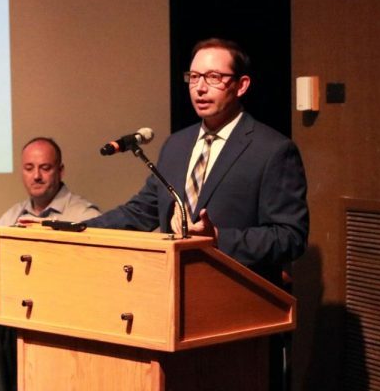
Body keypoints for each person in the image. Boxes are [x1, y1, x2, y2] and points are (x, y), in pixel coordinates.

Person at [86, 38, 308, 285]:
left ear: (241, 85)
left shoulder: (272, 150)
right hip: (173, 286)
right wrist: (73, 228)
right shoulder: (176, 145)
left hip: (235, 293)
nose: (200, 88)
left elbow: (290, 237)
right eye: (194, 77)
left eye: (213, 77)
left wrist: (217, 238)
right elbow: (142, 211)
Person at [0, 137, 100, 304]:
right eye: (29, 168)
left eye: (45, 168)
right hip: (15, 312)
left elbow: (94, 282)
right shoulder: (11, 217)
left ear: (60, 171)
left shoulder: (85, 218)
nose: (36, 176)